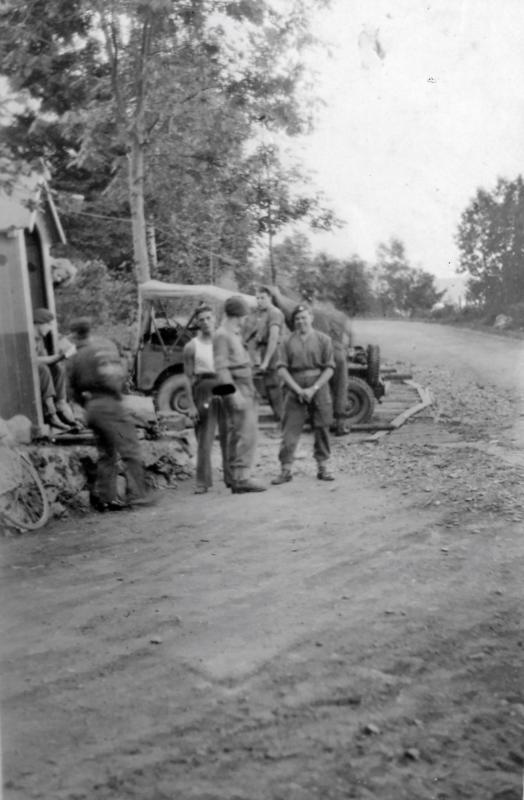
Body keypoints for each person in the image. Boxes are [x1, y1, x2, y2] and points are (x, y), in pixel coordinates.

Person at [68, 318, 156, 511]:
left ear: (74, 336)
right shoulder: (103, 350)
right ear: (89, 332)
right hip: (110, 405)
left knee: (107, 453)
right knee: (130, 448)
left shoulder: (74, 359)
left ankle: (107, 499)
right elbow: (116, 378)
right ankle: (140, 494)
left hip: (92, 409)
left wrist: (89, 404)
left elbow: (72, 392)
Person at [271, 304, 336, 485]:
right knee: (290, 429)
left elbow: (330, 368)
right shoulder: (286, 341)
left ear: (311, 318)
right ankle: (286, 470)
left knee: (322, 426)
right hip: (295, 387)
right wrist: (299, 390)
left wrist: (313, 388)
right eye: (297, 319)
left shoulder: (324, 340)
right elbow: (282, 369)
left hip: (319, 386)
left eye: (304, 317)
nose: (300, 321)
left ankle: (323, 467)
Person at [212, 296, 266, 494]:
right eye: (243, 316)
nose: (245, 320)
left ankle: (234, 477)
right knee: (246, 433)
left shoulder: (230, 334)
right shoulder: (222, 335)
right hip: (237, 387)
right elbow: (221, 368)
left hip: (244, 385)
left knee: (238, 433)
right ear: (237, 316)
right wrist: (233, 394)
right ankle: (242, 479)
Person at [183, 304, 230, 494]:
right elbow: (186, 377)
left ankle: (232, 477)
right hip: (204, 388)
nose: (206, 322)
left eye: (209, 318)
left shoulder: (225, 340)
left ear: (215, 319)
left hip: (225, 386)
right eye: (201, 319)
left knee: (229, 434)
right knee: (204, 437)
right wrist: (191, 405)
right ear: (197, 323)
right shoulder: (191, 346)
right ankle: (203, 481)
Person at [33, 307, 77, 430]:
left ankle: (60, 405)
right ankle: (50, 413)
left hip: (37, 375)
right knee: (43, 369)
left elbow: (47, 356)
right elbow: (35, 360)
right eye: (48, 324)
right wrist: (61, 356)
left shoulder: (40, 339)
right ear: (38, 323)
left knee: (56, 368)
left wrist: (66, 351)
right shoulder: (28, 337)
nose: (50, 327)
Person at [253, 285, 285, 421]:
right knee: (269, 387)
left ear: (270, 298)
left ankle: (283, 419)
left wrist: (266, 361)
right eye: (257, 298)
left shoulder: (274, 313)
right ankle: (279, 418)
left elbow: (273, 337)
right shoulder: (263, 313)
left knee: (274, 387)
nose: (259, 301)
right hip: (266, 351)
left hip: (274, 353)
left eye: (263, 298)